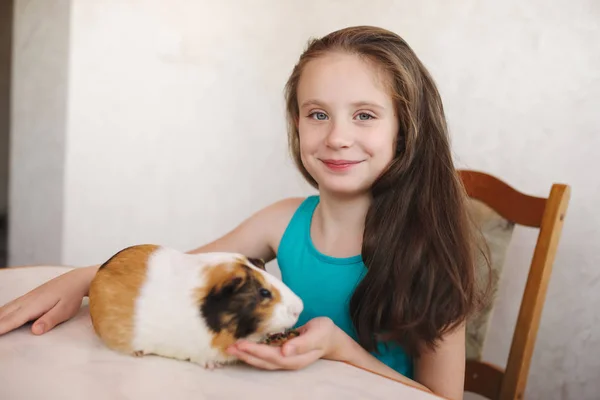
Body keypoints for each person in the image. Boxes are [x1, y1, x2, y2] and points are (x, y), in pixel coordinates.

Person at [0, 26, 488, 400]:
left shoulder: (432, 252)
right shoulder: (281, 221)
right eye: (317, 114)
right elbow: (176, 272)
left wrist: (341, 349)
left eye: (364, 114)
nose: (337, 136)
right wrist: (85, 278)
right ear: (296, 123)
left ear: (406, 128)